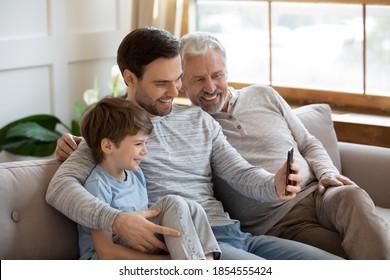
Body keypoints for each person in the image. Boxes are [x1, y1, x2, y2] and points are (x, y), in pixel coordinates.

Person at [47, 27, 342, 260]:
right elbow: (59, 189)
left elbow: (239, 173)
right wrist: (116, 221)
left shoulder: (199, 120)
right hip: (193, 246)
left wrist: (274, 185)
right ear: (130, 78)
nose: (175, 92)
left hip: (238, 235)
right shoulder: (114, 133)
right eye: (162, 84)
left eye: (177, 80)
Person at [179, 31, 390, 260]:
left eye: (217, 75)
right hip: (281, 221)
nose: (210, 87)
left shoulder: (263, 95)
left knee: (351, 196)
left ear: (227, 71)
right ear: (181, 83)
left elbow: (308, 143)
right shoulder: (191, 127)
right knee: (351, 253)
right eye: (199, 79)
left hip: (319, 193)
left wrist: (327, 172)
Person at [77, 96, 221, 260]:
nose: (145, 151)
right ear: (108, 146)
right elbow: (105, 252)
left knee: (193, 207)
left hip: (138, 246)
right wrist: (166, 261)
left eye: (145, 143)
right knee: (172, 203)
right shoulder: (98, 185)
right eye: (138, 144)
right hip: (103, 260)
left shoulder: (135, 174)